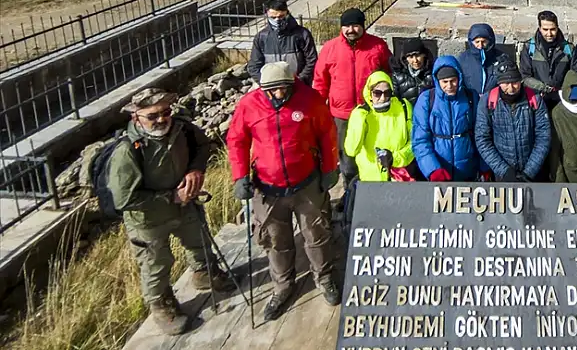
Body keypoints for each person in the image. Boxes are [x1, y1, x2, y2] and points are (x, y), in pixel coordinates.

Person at [108, 88, 233, 335]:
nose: (161, 119)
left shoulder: (183, 129)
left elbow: (203, 145)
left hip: (186, 206)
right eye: (152, 116)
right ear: (136, 118)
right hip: (149, 220)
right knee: (156, 263)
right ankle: (161, 305)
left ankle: (204, 273)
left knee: (199, 241)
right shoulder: (127, 150)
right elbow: (123, 199)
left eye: (166, 112)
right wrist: (171, 197)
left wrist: (196, 171)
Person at [226, 62, 340, 321]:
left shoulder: (309, 100)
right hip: (267, 187)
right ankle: (283, 285)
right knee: (276, 240)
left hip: (306, 183)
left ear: (291, 84)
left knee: (317, 233)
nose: (277, 93)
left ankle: (324, 277)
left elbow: (327, 133)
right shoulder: (249, 105)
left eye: (282, 88)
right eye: (271, 89)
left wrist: (329, 168)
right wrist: (240, 176)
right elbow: (237, 140)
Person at [312, 7, 392, 186]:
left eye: (355, 26)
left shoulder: (378, 46)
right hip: (342, 115)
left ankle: (372, 191)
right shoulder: (330, 48)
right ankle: (350, 193)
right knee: (347, 159)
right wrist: (319, 110)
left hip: (373, 112)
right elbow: (320, 81)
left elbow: (389, 75)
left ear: (363, 26)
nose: (351, 30)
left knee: (373, 154)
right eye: (346, 26)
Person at [474, 60, 551, 182]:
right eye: (506, 83)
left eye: (515, 82)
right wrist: (504, 171)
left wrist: (529, 171)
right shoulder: (488, 101)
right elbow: (482, 139)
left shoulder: (535, 100)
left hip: (533, 172)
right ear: (499, 83)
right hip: (502, 173)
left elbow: (543, 137)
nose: (511, 87)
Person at [411, 56, 484, 182]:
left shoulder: (471, 97)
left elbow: (481, 134)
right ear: (437, 81)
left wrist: (484, 166)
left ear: (459, 78)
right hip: (439, 169)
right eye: (445, 82)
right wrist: (433, 169)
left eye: (453, 80)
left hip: (468, 170)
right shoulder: (427, 100)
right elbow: (420, 140)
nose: (449, 86)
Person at [343, 71, 418, 182]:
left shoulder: (404, 106)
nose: (382, 98)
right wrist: (359, 120)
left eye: (387, 93)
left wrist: (394, 158)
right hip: (371, 179)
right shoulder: (361, 114)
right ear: (370, 93)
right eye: (377, 93)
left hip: (399, 177)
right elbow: (352, 150)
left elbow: (414, 143)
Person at [247, 0, 318, 85]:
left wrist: (300, 80)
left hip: (299, 86)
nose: (277, 20)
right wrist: (266, 82)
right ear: (267, 15)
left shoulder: (302, 34)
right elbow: (254, 66)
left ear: (287, 13)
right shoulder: (261, 37)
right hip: (270, 88)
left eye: (281, 16)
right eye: (273, 17)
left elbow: (312, 61)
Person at [519, 10, 574, 110]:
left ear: (557, 28)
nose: (549, 33)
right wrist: (544, 88)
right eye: (545, 29)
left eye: (553, 29)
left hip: (561, 101)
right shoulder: (529, 48)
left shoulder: (568, 49)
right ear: (539, 28)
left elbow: (575, 75)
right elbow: (525, 76)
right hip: (536, 100)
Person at [457, 23, 506, 98]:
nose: (480, 45)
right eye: (477, 42)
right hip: (471, 101)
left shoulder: (501, 58)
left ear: (490, 41)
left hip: (494, 100)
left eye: (484, 42)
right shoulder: (463, 59)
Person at [390, 37, 434, 103]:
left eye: (418, 55)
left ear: (424, 55)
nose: (415, 60)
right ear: (405, 58)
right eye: (410, 57)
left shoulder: (433, 72)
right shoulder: (398, 76)